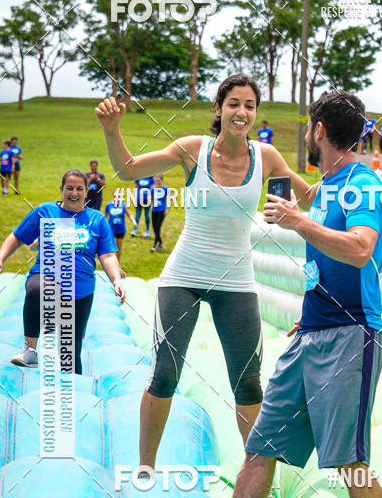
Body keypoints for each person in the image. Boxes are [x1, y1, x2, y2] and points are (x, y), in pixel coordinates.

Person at [95, 72, 315, 474]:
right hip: (184, 276)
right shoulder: (192, 149)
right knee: (164, 373)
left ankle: (257, 485)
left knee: (248, 383)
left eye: (250, 105)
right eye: (234, 104)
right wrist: (112, 130)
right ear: (218, 109)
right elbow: (127, 169)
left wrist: (358, 186)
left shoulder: (267, 158)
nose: (242, 112)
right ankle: (146, 467)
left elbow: (310, 197)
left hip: (236, 282)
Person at [231, 90, 382, 498]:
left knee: (350, 462)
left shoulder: (363, 184)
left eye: (307, 127)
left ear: (319, 131)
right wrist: (308, 316)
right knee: (260, 447)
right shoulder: (325, 188)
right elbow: (325, 260)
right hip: (312, 333)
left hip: (352, 334)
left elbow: (360, 249)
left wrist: (296, 220)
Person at [0, 169, 125, 373]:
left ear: (86, 192)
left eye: (79, 189)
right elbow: (17, 236)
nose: (74, 193)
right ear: (61, 189)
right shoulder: (45, 211)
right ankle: (30, 350)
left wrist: (116, 279)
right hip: (46, 276)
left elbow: (108, 255)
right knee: (36, 289)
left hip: (81, 291)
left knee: (70, 354)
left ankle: (74, 392)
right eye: (69, 188)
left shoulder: (97, 219)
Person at [105, 189, 136, 261]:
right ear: (113, 196)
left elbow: (129, 215)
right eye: (115, 196)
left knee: (119, 248)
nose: (117, 197)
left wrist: (133, 221)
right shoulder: (109, 205)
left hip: (121, 230)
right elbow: (104, 217)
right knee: (111, 248)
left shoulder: (123, 205)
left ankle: (117, 264)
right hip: (111, 229)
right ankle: (110, 263)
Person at [150, 174, 171, 251]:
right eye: (156, 181)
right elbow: (151, 199)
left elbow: (170, 199)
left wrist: (168, 209)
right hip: (154, 210)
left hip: (162, 210)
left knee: (157, 227)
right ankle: (161, 243)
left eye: (159, 180)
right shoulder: (153, 189)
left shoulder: (166, 188)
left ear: (162, 180)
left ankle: (155, 245)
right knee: (154, 227)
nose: (157, 182)